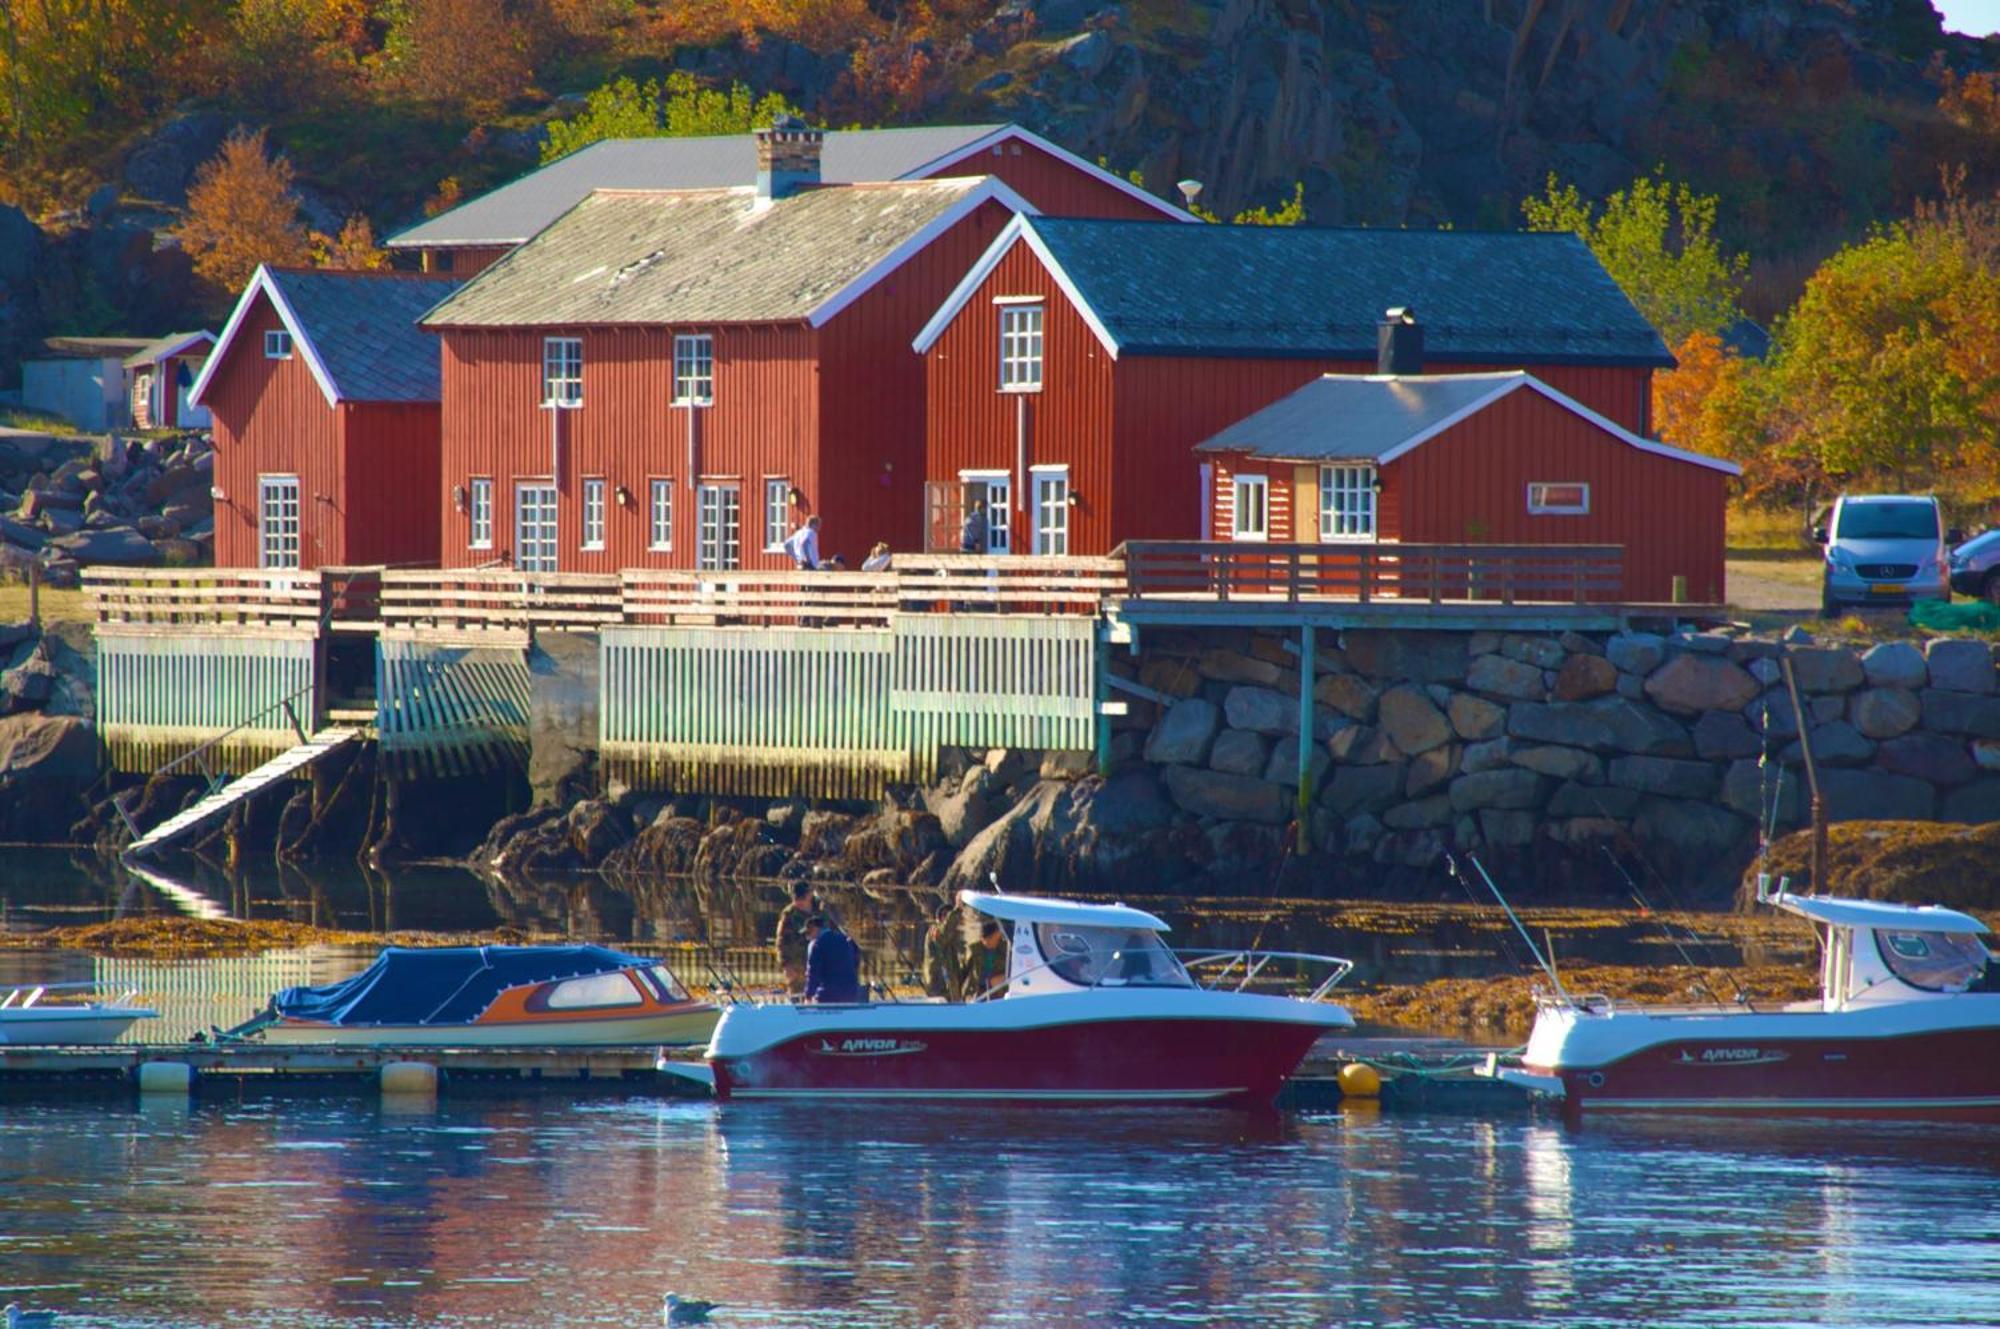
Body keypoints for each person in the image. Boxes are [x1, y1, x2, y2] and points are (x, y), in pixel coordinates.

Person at [803, 914, 863, 1004]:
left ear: (815, 929)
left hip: (828, 994)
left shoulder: (817, 945)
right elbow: (855, 963)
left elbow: (813, 973)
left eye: (808, 933)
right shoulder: (846, 940)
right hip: (851, 992)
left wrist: (808, 996)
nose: (807, 937)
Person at [773, 882, 816, 995]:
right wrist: (786, 965)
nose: (799, 902)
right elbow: (780, 942)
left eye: (802, 898)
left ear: (810, 895)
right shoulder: (789, 914)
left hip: (818, 965)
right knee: (797, 997)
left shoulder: (822, 911)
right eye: (796, 898)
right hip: (797, 966)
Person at [923, 901, 967, 999]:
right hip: (938, 987)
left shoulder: (953, 937)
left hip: (950, 989)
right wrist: (958, 909)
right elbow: (943, 935)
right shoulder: (934, 930)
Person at [966, 916, 1009, 999]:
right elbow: (965, 974)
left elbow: (1013, 971)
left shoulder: (1005, 949)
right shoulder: (973, 951)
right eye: (985, 940)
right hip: (977, 994)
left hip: (999, 994)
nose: (998, 938)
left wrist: (1004, 977)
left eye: (997, 937)